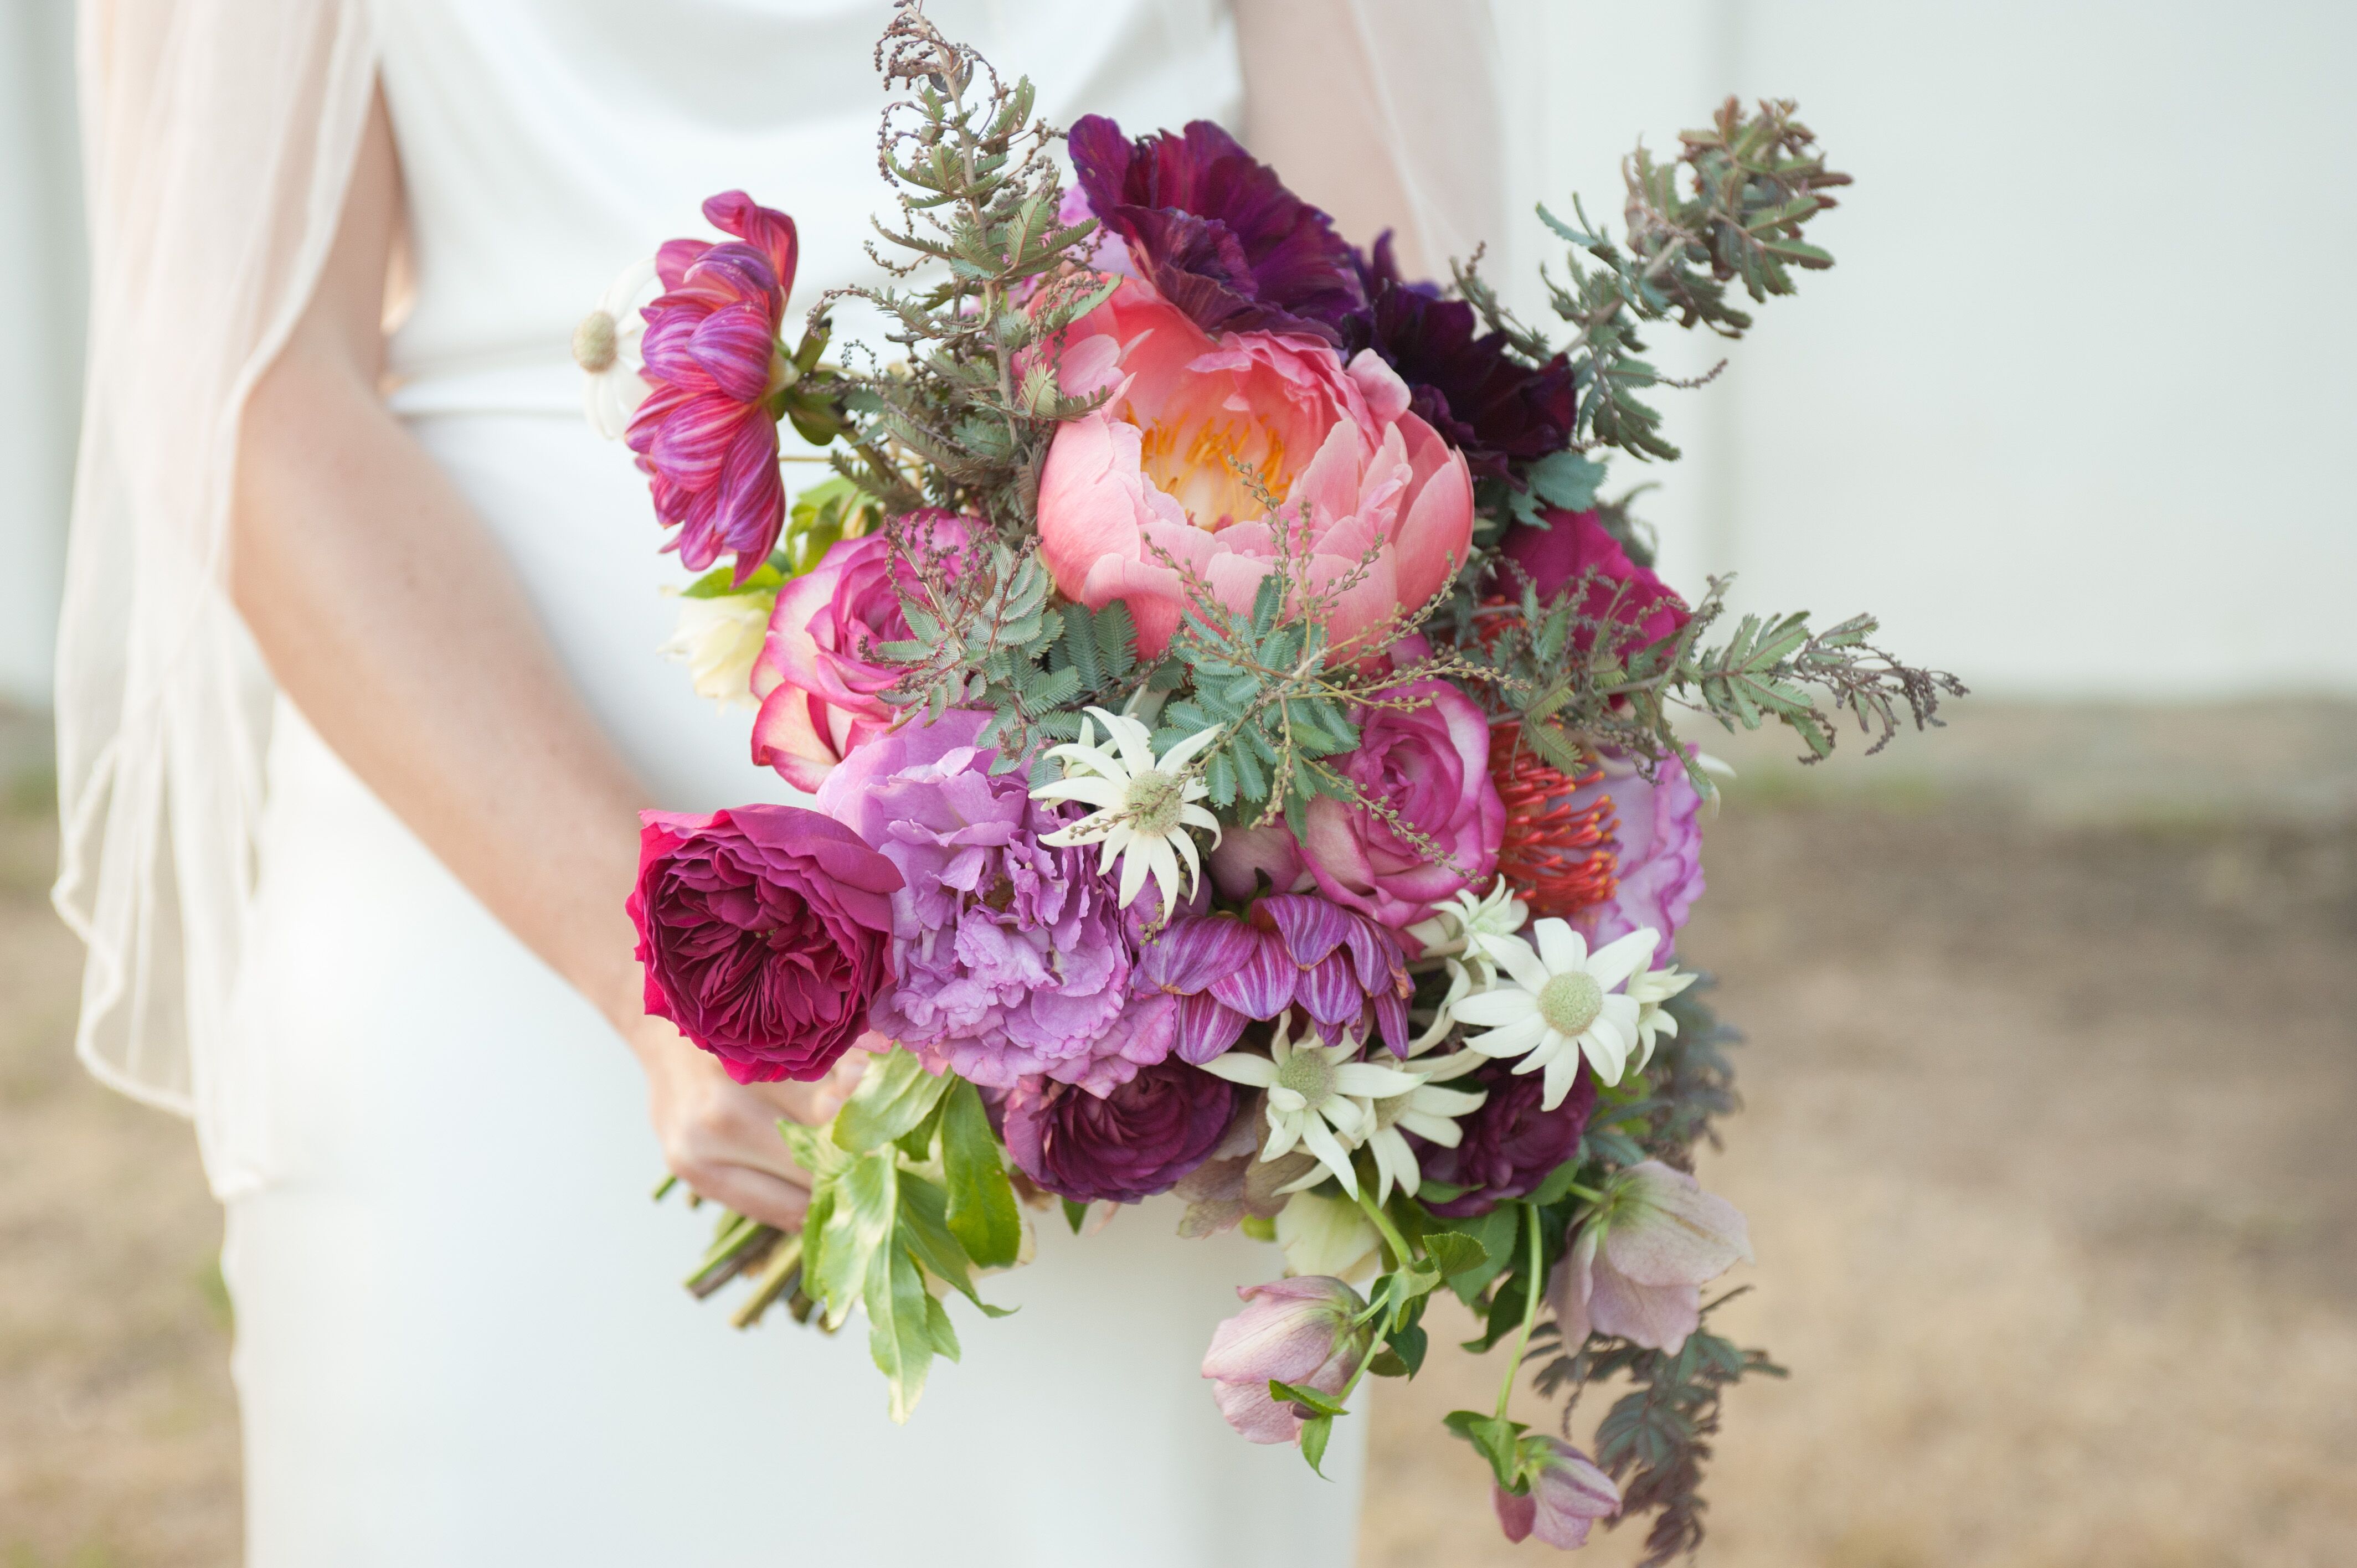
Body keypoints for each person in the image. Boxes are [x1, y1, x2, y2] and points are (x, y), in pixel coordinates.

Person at [55, 1, 1501, 1562]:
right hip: (487, 886)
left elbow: (1392, 307)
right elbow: (248, 388)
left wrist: (1281, 810)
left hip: (1152, 903)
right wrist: (640, 966)